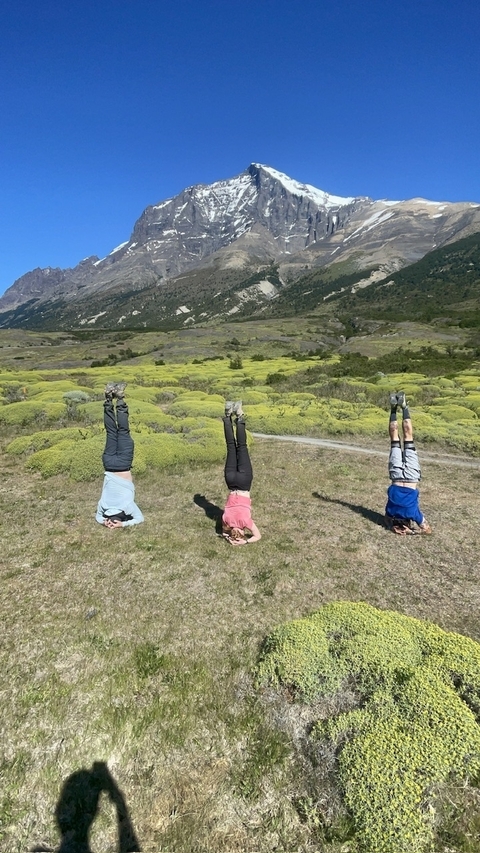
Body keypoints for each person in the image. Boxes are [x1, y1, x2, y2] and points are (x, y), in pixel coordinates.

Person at [96, 382, 144, 530]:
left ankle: (121, 399)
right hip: (109, 464)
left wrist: (123, 524)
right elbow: (98, 517)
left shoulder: (127, 507)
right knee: (111, 431)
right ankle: (109, 400)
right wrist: (104, 521)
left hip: (123, 463)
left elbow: (139, 518)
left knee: (123, 431)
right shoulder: (102, 507)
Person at [385, 391, 432, 535]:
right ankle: (394, 408)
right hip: (396, 476)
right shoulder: (390, 511)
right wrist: (393, 526)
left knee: (408, 437)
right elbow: (387, 520)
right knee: (394, 439)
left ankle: (404, 407)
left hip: (411, 476)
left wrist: (412, 532)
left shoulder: (413, 513)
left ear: (408, 522)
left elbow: (427, 530)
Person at [222, 401, 261, 546]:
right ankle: (227, 416)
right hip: (231, 481)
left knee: (242, 447)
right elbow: (224, 532)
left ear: (243, 532)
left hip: (244, 483)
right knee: (231, 447)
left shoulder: (246, 522)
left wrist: (244, 542)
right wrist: (229, 537)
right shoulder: (226, 521)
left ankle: (239, 417)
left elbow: (257, 536)